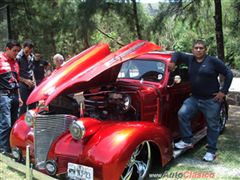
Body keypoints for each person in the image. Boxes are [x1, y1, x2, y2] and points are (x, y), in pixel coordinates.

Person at [169, 39, 233, 162]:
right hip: (195, 98)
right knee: (183, 113)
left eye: (201, 48)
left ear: (205, 50)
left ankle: (211, 151)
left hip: (211, 100)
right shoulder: (190, 59)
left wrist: (223, 91)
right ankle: (187, 140)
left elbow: (228, 73)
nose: (198, 50)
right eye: (196, 48)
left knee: (212, 126)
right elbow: (177, 53)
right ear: (192, 49)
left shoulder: (213, 61)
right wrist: (172, 62)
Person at [0, 40, 23, 153]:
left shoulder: (15, 62)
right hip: (3, 95)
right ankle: (3, 149)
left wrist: (19, 97)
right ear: (7, 49)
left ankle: (11, 148)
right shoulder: (0, 59)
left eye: (18, 51)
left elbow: (16, 81)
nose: (16, 53)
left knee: (14, 123)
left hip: (14, 96)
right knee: (6, 123)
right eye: (14, 51)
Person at [17, 39, 36, 116]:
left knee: (33, 104)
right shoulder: (18, 57)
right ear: (23, 47)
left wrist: (34, 81)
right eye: (26, 51)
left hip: (31, 84)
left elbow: (31, 70)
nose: (28, 54)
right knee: (23, 106)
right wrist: (25, 81)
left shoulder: (31, 57)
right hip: (22, 84)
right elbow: (15, 75)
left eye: (30, 52)